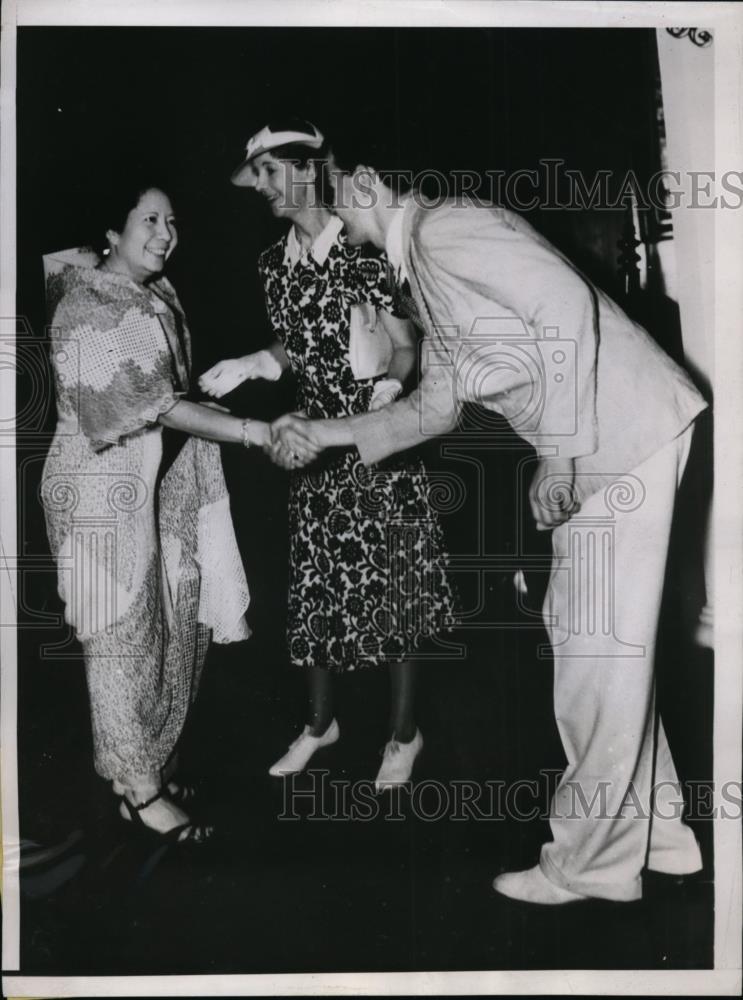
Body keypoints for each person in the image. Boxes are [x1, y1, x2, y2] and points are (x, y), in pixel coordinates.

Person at [273, 141, 708, 903]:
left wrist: (565, 455)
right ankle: (658, 836)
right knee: (594, 646)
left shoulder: (445, 228)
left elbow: (566, 307)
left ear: (370, 180)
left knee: (594, 662)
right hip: (615, 439)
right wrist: (323, 432)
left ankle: (589, 866)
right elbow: (432, 408)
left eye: (330, 193)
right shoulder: (424, 274)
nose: (322, 211)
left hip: (616, 437)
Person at [199, 120, 456, 788]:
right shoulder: (272, 264)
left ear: (305, 170)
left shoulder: (366, 245)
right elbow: (300, 341)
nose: (261, 187)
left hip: (380, 434)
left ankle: (403, 734)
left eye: (269, 172)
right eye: (255, 175)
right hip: (314, 439)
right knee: (315, 589)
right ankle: (320, 723)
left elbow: (404, 340)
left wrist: (392, 385)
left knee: (396, 590)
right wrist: (261, 359)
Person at [42, 181, 272, 844]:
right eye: (149, 219)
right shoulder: (84, 305)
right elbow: (145, 403)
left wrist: (218, 414)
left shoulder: (157, 293)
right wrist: (253, 432)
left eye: (172, 220)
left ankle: (151, 761)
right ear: (111, 232)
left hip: (155, 478)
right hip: (97, 486)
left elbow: (166, 392)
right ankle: (135, 791)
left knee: (174, 623)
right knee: (118, 634)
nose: (165, 233)